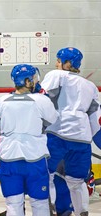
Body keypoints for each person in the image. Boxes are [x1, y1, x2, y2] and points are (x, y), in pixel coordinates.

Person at [41, 47, 101, 216]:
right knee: (77, 181)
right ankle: (82, 212)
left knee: (46, 175)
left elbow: (43, 101)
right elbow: (95, 118)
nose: (56, 63)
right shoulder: (90, 86)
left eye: (59, 61)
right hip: (81, 139)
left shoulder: (55, 75)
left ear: (67, 64)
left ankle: (48, 211)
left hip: (56, 135)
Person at [0, 64, 59, 216]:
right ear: (28, 81)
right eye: (34, 79)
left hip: (9, 159)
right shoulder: (41, 100)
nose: (37, 81)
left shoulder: (1, 101)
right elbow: (53, 120)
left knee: (13, 204)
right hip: (35, 159)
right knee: (40, 203)